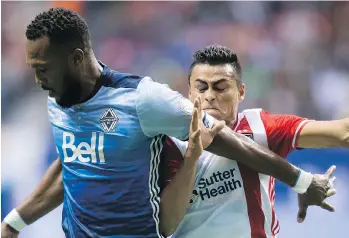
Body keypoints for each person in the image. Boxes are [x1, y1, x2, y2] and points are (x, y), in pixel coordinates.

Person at [1, 8, 335, 238]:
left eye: (43, 68)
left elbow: (219, 138)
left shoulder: (142, 98)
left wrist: (301, 180)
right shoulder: (57, 100)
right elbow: (72, 161)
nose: (37, 78)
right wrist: (14, 221)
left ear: (75, 59)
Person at [160, 45, 348, 238]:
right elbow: (166, 225)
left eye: (221, 87)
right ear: (190, 93)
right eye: (201, 88)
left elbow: (342, 132)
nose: (209, 96)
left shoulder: (261, 126)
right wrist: (191, 160)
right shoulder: (171, 143)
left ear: (241, 92)